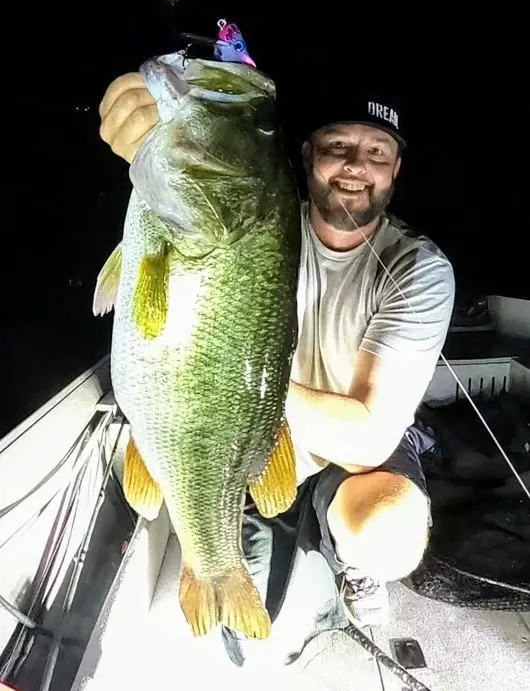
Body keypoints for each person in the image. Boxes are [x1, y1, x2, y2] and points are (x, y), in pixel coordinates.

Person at [98, 71, 455, 638]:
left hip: (348, 454)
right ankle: (226, 551)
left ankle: (356, 569)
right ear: (307, 155)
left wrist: (229, 389)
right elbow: (208, 180)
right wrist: (147, 137)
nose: (355, 165)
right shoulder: (258, 214)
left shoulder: (420, 268)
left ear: (395, 169)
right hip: (246, 444)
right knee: (241, 632)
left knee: (388, 532)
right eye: (337, 146)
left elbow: (368, 438)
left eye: (376, 151)